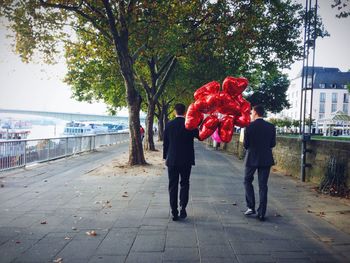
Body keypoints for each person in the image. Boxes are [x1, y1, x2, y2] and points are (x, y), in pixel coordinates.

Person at [163, 103, 199, 221]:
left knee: (172, 186)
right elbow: (200, 136)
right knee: (185, 184)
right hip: (186, 160)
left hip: (172, 159)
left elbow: (166, 144)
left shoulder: (169, 125)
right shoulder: (191, 125)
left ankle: (174, 212)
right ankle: (183, 208)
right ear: (185, 112)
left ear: (175, 112)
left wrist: (165, 157)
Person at [243, 104, 276, 221]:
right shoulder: (271, 127)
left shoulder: (249, 126)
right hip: (266, 159)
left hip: (251, 158)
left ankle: (250, 206)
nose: (251, 114)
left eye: (252, 113)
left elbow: (246, 145)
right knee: (263, 186)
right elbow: (273, 144)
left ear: (256, 113)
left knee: (247, 181)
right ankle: (261, 212)